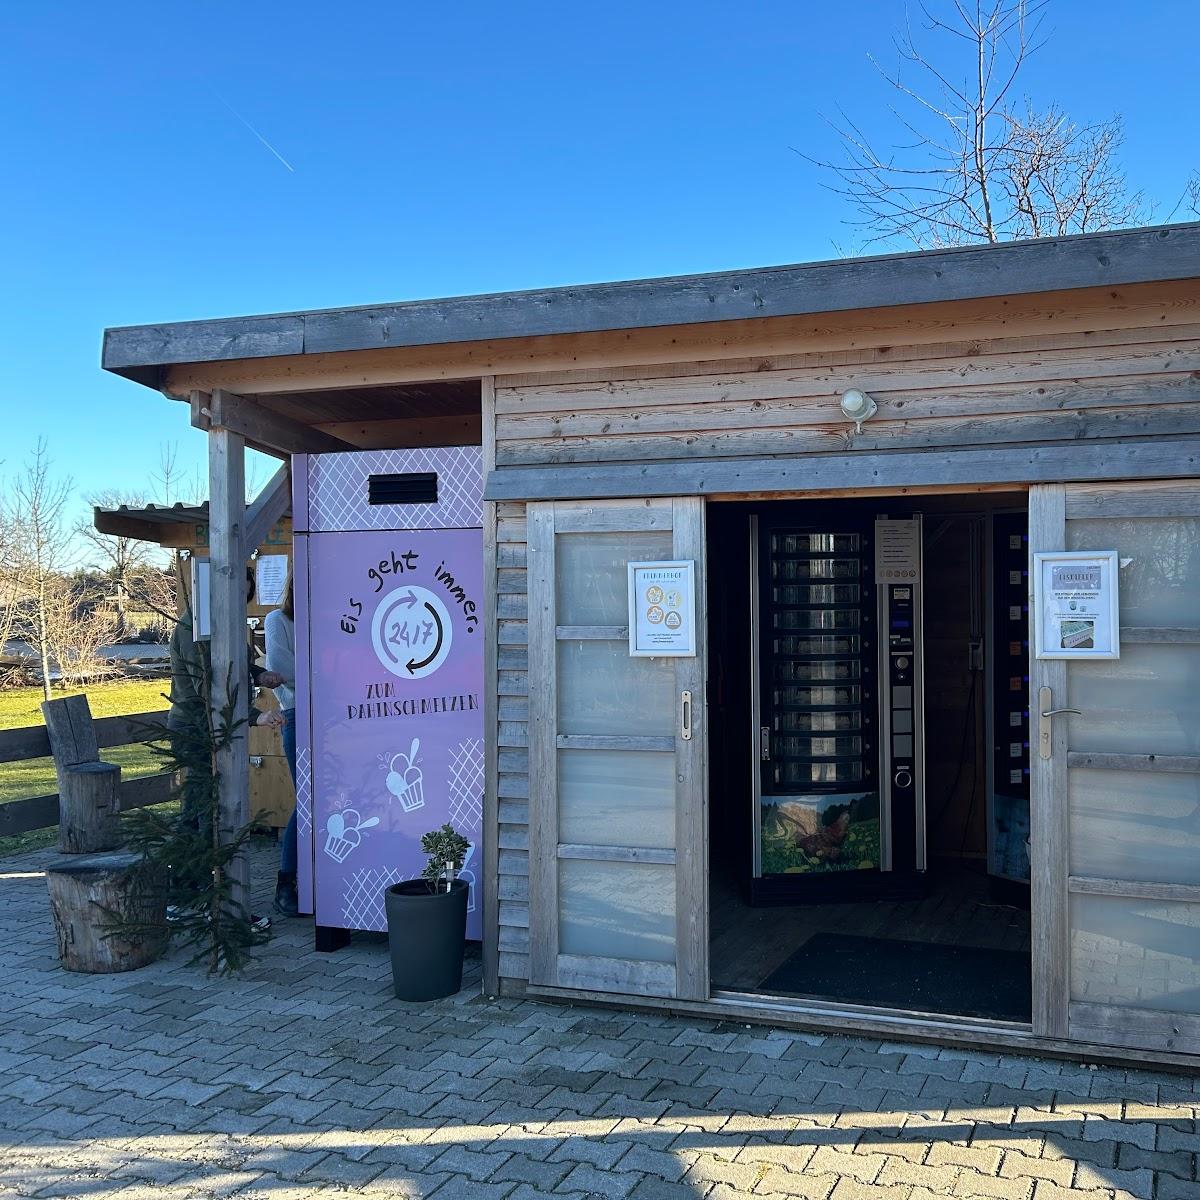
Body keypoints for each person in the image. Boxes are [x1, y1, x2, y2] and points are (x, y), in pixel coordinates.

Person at [265, 574, 300, 917]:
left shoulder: (326, 619)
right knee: (307, 800)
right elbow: (281, 667)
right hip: (299, 713)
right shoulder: (278, 620)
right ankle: (285, 883)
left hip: (334, 714)